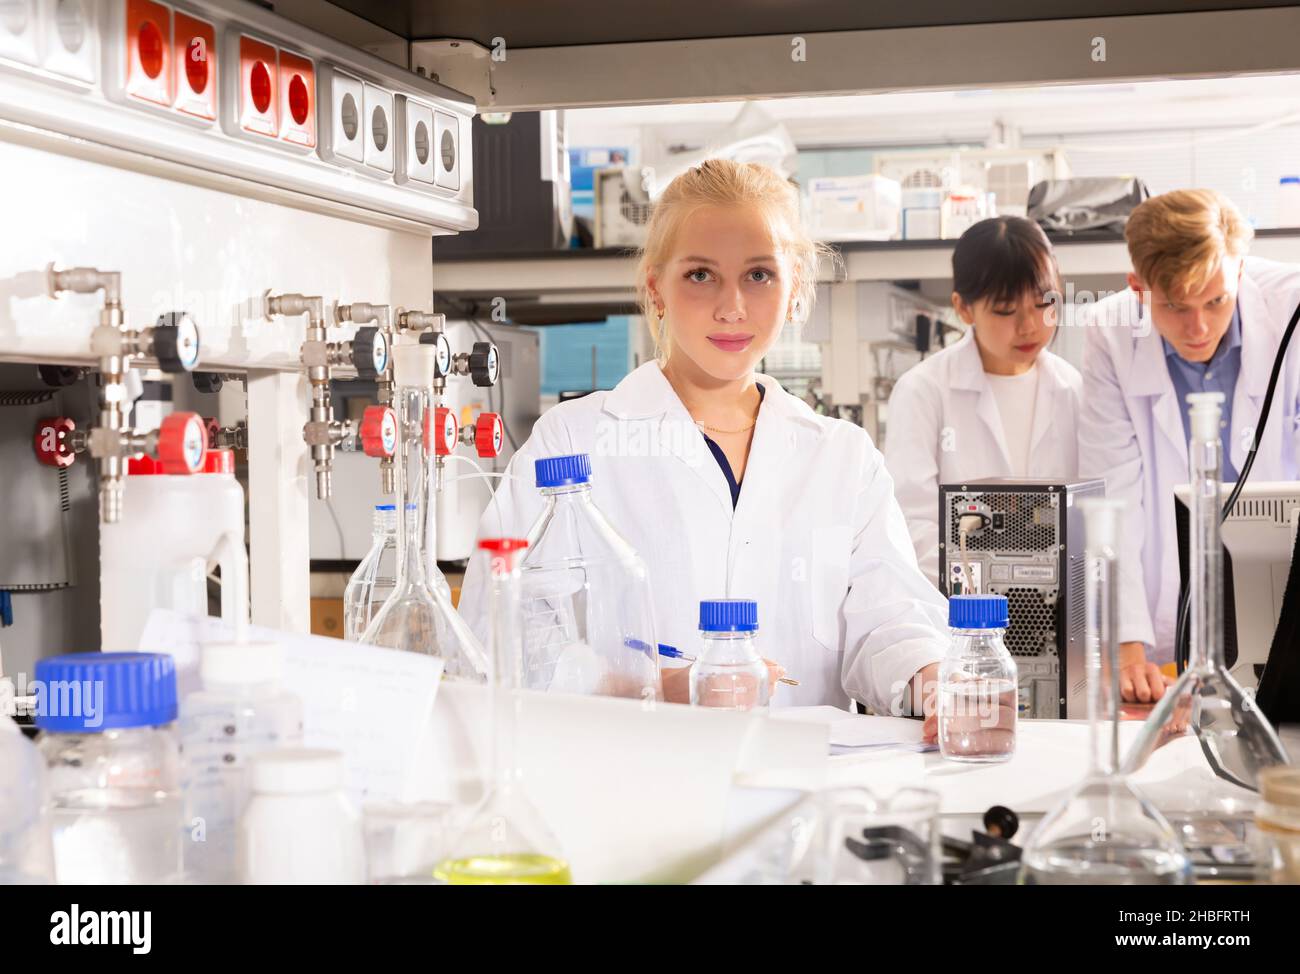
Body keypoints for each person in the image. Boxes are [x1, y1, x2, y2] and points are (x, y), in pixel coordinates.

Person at [458, 159, 950, 733]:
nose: (732, 305)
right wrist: (657, 687)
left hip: (800, 792)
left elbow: (891, 616)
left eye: (759, 274)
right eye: (700, 275)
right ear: (655, 288)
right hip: (626, 789)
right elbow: (500, 635)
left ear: (794, 289)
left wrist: (934, 677)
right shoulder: (572, 441)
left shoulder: (844, 458)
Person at [1079, 188, 1300, 702]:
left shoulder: (1293, 306)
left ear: (1239, 271)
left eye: (1217, 301)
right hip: (1167, 619)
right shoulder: (1110, 333)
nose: (1199, 327)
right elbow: (1111, 495)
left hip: (1284, 592)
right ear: (1139, 289)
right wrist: (1127, 642)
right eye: (1175, 306)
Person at [885, 217, 1083, 587]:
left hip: (1056, 612)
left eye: (1044, 302)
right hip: (958, 615)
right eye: (1006, 310)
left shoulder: (1074, 390)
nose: (1029, 325)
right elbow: (912, 522)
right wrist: (972, 596)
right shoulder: (923, 391)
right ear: (963, 308)